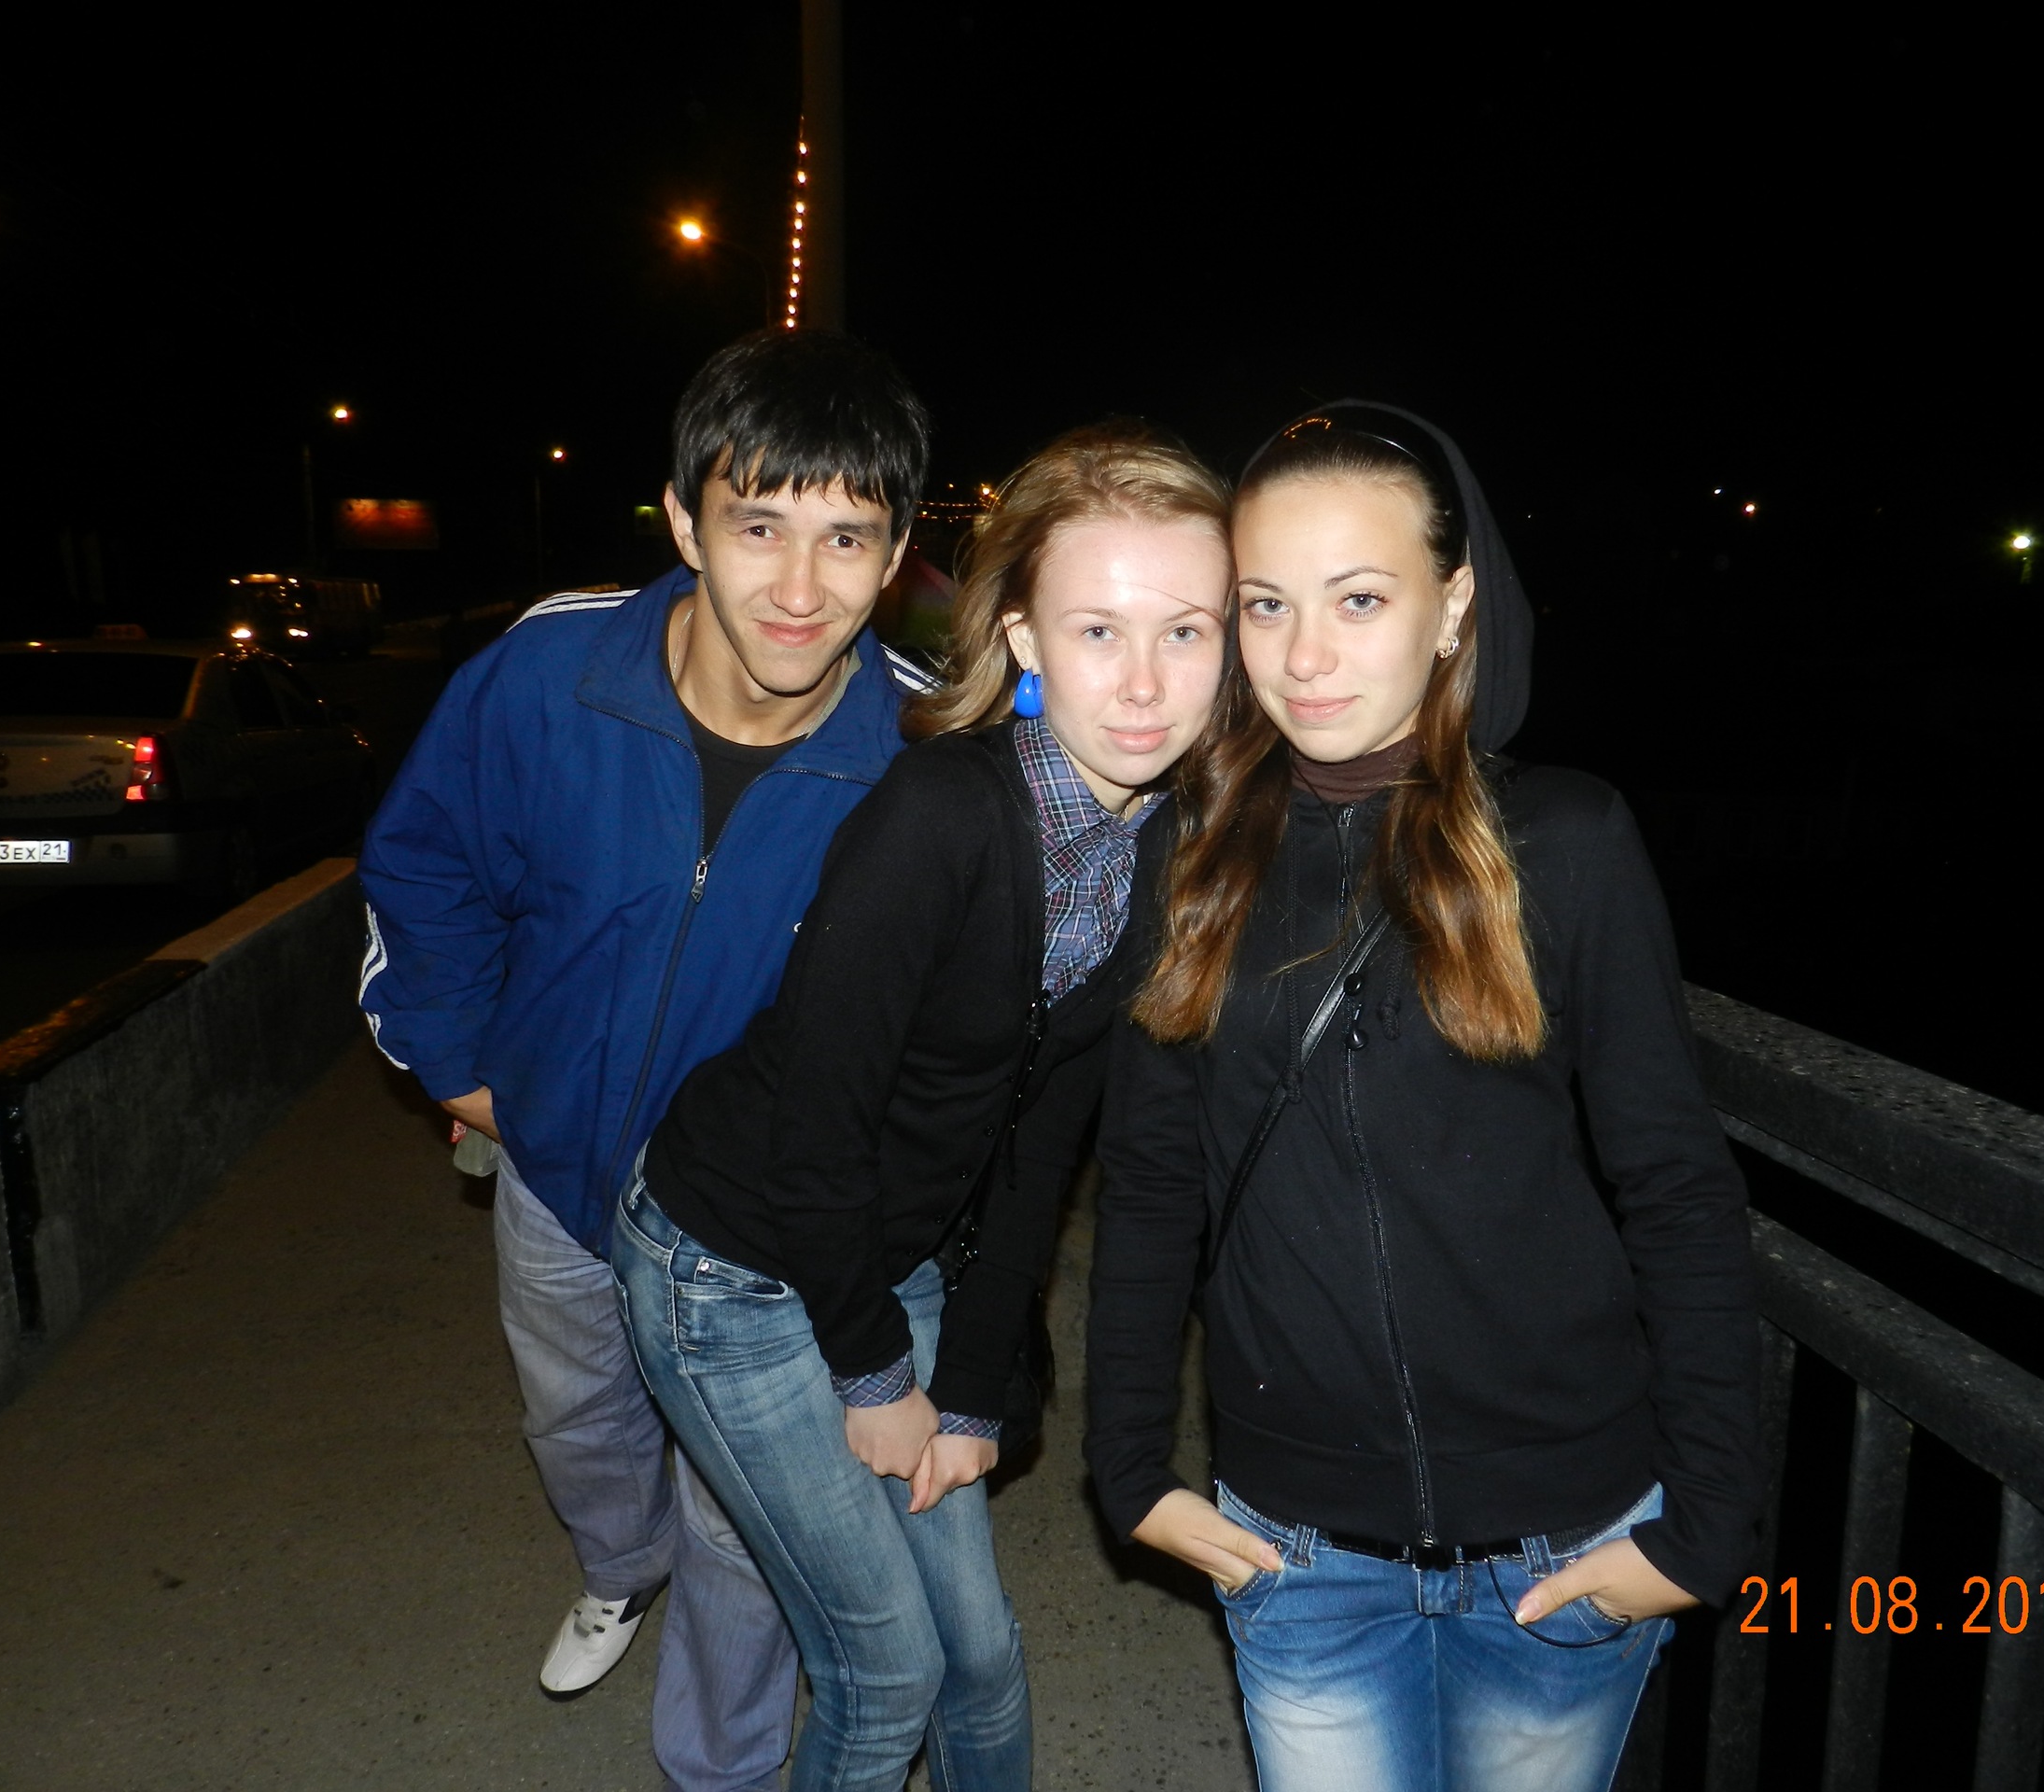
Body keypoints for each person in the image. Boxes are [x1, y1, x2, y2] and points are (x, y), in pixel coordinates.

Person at [1085, 404, 1762, 1792]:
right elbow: (1152, 1180)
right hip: (1302, 1550)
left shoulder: (1564, 841)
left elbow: (1676, 1185)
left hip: (1568, 1535)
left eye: (1359, 599)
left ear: (1453, 607)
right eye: (1266, 604)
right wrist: (1129, 1466)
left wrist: (1706, 1529)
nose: (1305, 655)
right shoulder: (1193, 857)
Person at [613, 423, 1234, 1791]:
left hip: (890, 1253)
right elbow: (816, 1120)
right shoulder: (942, 814)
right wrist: (876, 1375)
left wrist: (974, 1389)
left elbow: (1042, 1141)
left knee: (983, 1660)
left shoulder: (1160, 845)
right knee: (884, 1671)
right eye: (1098, 631)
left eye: (1185, 632)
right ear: (1022, 638)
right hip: (730, 1263)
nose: (1144, 684)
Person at [357, 328, 935, 1791]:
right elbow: (426, 866)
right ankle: (619, 1564)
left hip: (754, 1237)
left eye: (846, 538)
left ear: (897, 551)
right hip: (554, 1170)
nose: (799, 588)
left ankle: (716, 1768)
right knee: (579, 1419)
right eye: (758, 526)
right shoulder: (552, 671)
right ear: (684, 522)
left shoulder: (923, 756)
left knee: (742, 1517)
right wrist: (462, 1069)